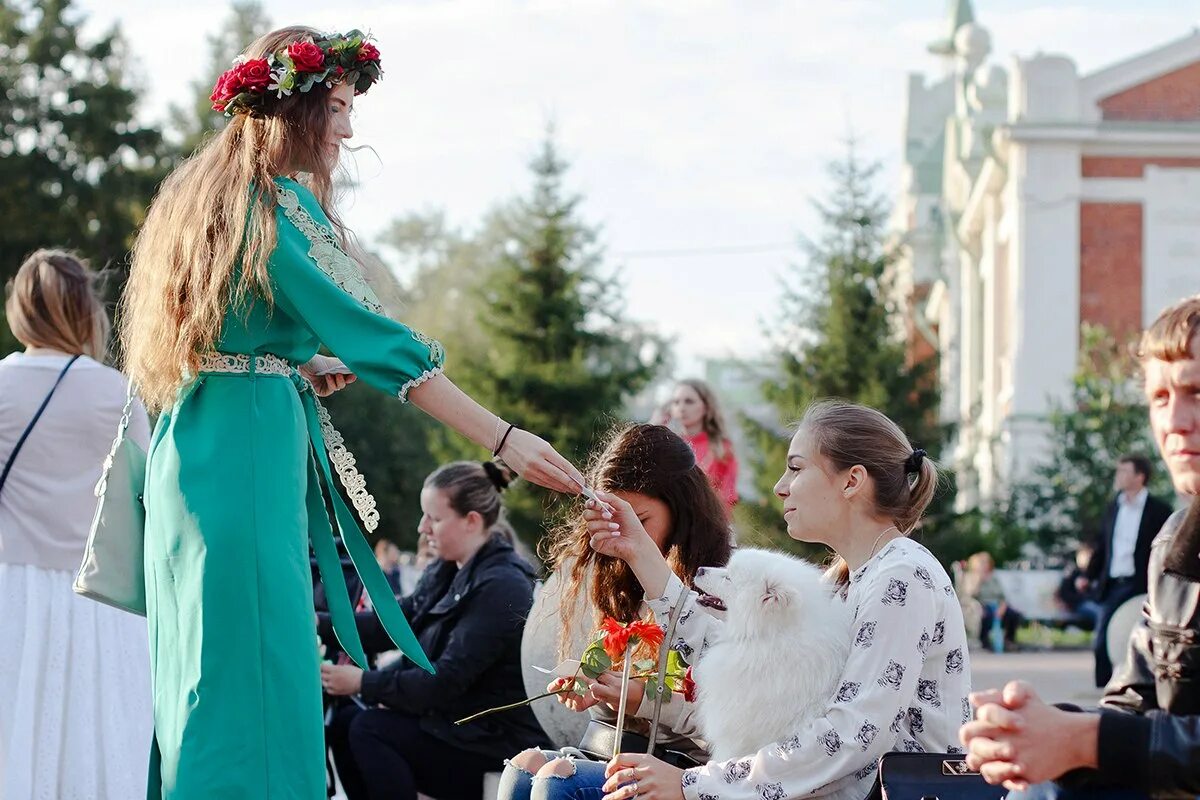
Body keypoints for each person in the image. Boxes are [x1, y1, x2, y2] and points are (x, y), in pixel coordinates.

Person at [120, 26, 584, 798]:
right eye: (335, 106)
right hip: (242, 456)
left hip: (195, 446)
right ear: (293, 108)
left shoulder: (202, 201)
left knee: (203, 679)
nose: (347, 127)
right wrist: (502, 437)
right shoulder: (275, 208)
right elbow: (384, 344)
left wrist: (295, 364)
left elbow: (230, 339)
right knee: (260, 681)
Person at [584, 400, 971, 800]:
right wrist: (639, 551)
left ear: (852, 481)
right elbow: (746, 658)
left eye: (797, 467)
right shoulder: (850, 580)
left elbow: (851, 736)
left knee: (570, 787)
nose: (780, 486)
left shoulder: (900, 578)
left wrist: (692, 785)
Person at [961, 295, 1200, 800]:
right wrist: (1041, 730)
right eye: (1159, 397)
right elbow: (1132, 704)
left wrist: (1083, 739)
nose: (1175, 420)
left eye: (1196, 391)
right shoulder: (1174, 546)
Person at [497, 423, 734, 800]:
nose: (627, 536)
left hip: (691, 769)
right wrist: (597, 689)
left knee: (559, 777)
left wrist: (642, 698)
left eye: (640, 522)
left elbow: (728, 719)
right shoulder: (619, 577)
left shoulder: (720, 586)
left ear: (680, 509)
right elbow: (622, 722)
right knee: (524, 766)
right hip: (623, 749)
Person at [0, 249, 153, 798]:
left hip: (10, 589)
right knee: (102, 740)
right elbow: (147, 497)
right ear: (86, 309)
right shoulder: (118, 392)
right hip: (99, 593)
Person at [322, 462, 543, 800]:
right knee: (345, 721)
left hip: (491, 744)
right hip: (454, 727)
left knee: (370, 730)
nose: (422, 527)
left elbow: (444, 681)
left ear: (471, 521)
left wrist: (362, 682)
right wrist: (317, 623)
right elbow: (397, 625)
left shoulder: (503, 586)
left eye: (434, 518)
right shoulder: (448, 568)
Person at [1083, 453, 1174, 686]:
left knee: (1150, 633)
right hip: (1114, 582)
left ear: (1139, 477)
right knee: (1102, 635)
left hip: (1142, 582)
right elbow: (1103, 545)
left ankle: (1150, 682)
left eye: (1124, 471)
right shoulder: (1114, 507)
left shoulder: (1159, 510)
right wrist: (1088, 575)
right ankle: (1104, 687)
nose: (1119, 476)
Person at [670, 379, 738, 513]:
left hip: (709, 522)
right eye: (676, 402)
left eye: (689, 401)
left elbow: (728, 496)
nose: (681, 408)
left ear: (706, 407)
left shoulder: (721, 448)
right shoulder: (669, 445)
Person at [960, 551, 1022, 651]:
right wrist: (978, 579)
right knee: (986, 615)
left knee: (1014, 614)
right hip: (981, 605)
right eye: (982, 563)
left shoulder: (994, 578)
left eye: (986, 563)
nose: (984, 566)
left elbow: (1003, 596)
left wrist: (1002, 608)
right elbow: (970, 595)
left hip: (997, 605)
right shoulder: (970, 577)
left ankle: (1009, 641)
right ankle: (985, 641)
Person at [1052, 544, 1101, 631]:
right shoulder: (1072, 573)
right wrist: (1082, 597)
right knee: (1098, 612)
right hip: (1078, 605)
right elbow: (1065, 593)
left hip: (1094, 602)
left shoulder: (1095, 573)